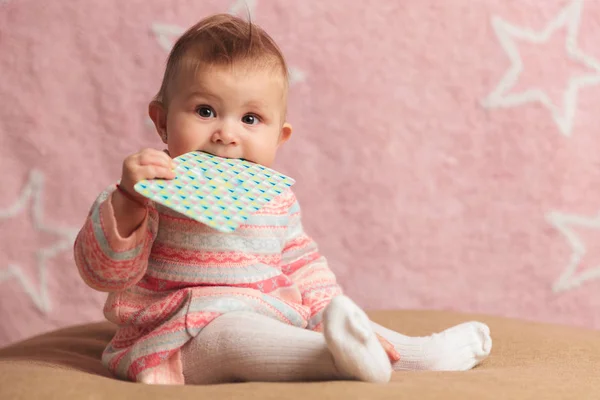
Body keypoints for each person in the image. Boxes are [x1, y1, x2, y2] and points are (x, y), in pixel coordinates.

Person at [74, 13, 491, 385]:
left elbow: (303, 263)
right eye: (205, 111)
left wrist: (331, 313)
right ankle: (337, 359)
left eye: (250, 119)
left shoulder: (276, 199)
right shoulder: (150, 188)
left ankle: (422, 355)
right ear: (162, 122)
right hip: (182, 337)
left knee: (326, 328)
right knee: (234, 336)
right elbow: (103, 273)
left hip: (273, 319)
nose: (226, 133)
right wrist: (129, 199)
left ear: (279, 137)